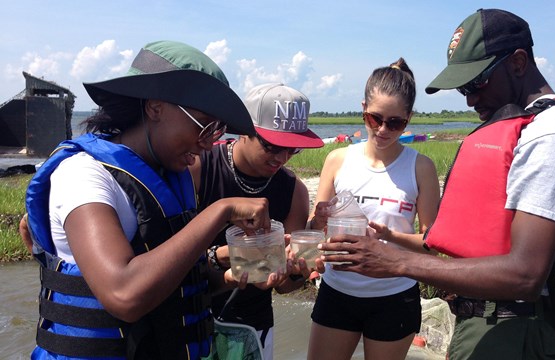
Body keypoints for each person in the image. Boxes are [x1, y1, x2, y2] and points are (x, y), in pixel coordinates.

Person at [319, 9, 555, 360]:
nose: (470, 99)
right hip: (481, 322)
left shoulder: (553, 136)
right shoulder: (521, 128)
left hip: (515, 331)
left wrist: (395, 261)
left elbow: (525, 274)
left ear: (518, 62)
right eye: (463, 90)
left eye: (476, 83)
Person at [24, 40, 287, 360]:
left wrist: (230, 276)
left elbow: (175, 282)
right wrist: (221, 210)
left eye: (217, 132)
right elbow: (124, 293)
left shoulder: (173, 179)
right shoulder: (84, 176)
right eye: (205, 126)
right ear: (155, 106)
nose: (207, 144)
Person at [307, 58, 441, 360]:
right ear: (363, 108)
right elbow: (313, 228)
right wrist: (319, 222)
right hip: (337, 291)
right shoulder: (338, 159)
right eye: (374, 118)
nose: (383, 129)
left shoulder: (421, 167)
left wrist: (389, 235)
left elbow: (430, 245)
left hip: (394, 297)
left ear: (409, 118)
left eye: (395, 122)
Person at [189, 83, 324, 359]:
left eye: (293, 149)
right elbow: (166, 258)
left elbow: (285, 287)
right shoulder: (198, 169)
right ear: (243, 130)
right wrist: (222, 257)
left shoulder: (293, 190)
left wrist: (296, 268)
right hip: (190, 318)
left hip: (252, 325)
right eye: (273, 146)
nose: (282, 158)